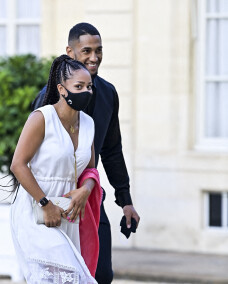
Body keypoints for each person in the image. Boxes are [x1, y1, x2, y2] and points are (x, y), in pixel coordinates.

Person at [31, 22, 140, 284]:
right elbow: (27, 161)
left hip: (90, 197)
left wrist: (125, 200)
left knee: (101, 275)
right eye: (87, 50)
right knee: (58, 277)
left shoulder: (108, 94)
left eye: (99, 50)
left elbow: (112, 150)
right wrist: (43, 203)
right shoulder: (46, 100)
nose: (94, 57)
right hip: (54, 200)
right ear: (70, 52)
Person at [10, 54, 100, 283]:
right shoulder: (42, 118)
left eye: (89, 86)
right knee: (62, 273)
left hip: (69, 211)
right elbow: (18, 165)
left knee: (67, 277)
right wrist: (45, 204)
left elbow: (90, 169)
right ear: (62, 89)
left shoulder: (88, 124)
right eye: (78, 86)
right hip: (35, 207)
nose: (86, 92)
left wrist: (85, 190)